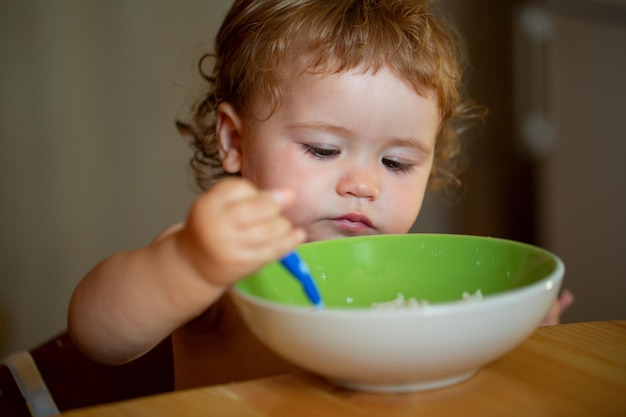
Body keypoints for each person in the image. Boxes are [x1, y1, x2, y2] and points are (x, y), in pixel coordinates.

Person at [67, 0, 571, 390]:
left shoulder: (417, 281)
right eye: (324, 149)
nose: (363, 185)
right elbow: (96, 334)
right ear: (235, 141)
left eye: (396, 162)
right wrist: (188, 263)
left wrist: (499, 334)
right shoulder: (222, 264)